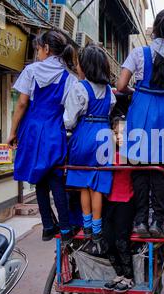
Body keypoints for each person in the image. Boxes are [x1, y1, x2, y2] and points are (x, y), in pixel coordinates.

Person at [117, 9, 164, 238]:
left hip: (140, 112)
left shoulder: (139, 53)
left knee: (138, 169)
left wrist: (137, 91)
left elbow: (120, 86)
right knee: (159, 172)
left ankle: (139, 221)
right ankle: (157, 222)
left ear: (155, 28)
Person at [6, 30, 78, 245]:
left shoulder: (31, 71)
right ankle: (65, 227)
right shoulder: (69, 78)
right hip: (54, 130)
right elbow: (69, 112)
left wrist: (12, 132)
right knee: (56, 178)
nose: (37, 53)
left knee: (39, 178)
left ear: (46, 48)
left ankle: (47, 225)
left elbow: (21, 103)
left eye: (37, 49)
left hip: (32, 129)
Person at [65, 44, 116, 247]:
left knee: (84, 184)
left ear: (85, 66)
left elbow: (69, 121)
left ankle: (86, 226)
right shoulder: (109, 92)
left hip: (84, 135)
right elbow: (110, 111)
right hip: (104, 136)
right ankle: (97, 229)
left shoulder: (79, 87)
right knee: (97, 186)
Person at [103, 117, 136, 293]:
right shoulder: (107, 152)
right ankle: (119, 274)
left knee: (121, 241)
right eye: (116, 133)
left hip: (126, 202)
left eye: (123, 132)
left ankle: (129, 277)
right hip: (109, 201)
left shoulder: (133, 153)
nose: (119, 136)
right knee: (108, 240)